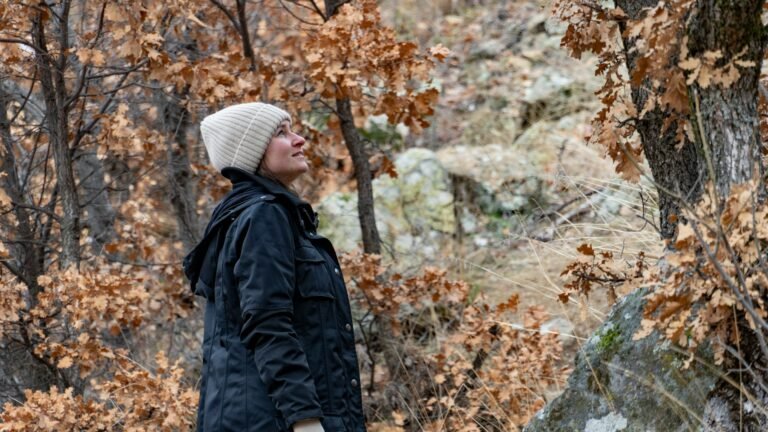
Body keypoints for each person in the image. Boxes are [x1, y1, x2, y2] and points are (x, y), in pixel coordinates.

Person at [183, 102, 366, 432]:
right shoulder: (264, 216)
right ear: (252, 152)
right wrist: (305, 419)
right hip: (274, 421)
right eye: (281, 133)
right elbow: (268, 324)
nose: (299, 139)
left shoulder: (252, 215)